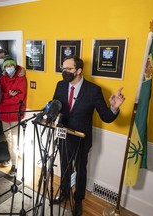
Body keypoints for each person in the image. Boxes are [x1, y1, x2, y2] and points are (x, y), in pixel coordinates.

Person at [52, 55, 125, 216]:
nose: (64, 71)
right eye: (63, 68)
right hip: (63, 136)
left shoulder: (93, 90)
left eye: (68, 69)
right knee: (65, 167)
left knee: (80, 171)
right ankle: (64, 193)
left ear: (78, 71)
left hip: (81, 139)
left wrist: (114, 108)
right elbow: (55, 105)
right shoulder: (60, 85)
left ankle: (78, 201)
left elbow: (106, 116)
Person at [0, 56, 27, 177]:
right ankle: (12, 158)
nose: (9, 68)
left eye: (10, 65)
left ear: (14, 65)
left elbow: (19, 98)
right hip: (4, 114)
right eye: (6, 66)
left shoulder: (21, 78)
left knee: (14, 140)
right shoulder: (2, 78)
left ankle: (14, 165)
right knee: (8, 139)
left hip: (15, 114)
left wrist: (5, 98)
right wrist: (8, 95)